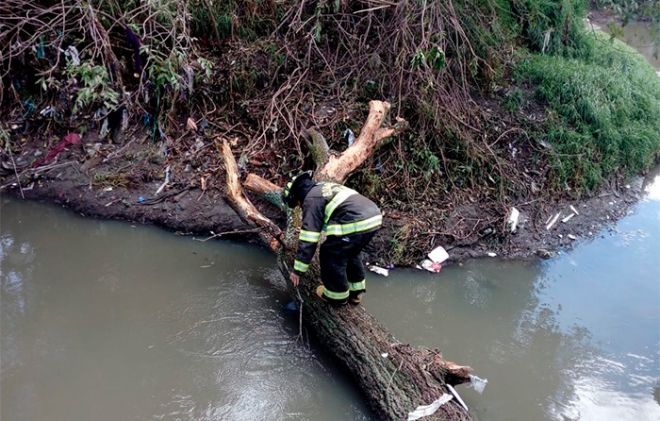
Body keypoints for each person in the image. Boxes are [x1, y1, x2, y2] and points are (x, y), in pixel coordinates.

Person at [282, 171, 382, 306]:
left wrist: (297, 271)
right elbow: (334, 213)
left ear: (297, 197)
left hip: (355, 221)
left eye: (297, 203)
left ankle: (337, 296)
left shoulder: (310, 199)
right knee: (350, 253)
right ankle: (356, 293)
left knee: (330, 253)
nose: (299, 206)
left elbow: (308, 239)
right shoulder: (323, 188)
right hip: (373, 217)